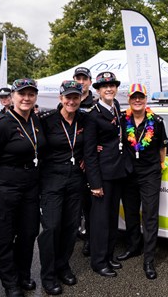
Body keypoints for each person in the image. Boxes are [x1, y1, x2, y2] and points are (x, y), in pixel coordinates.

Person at [0, 78, 46, 297]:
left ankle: (23, 275)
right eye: (22, 94)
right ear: (13, 97)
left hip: (30, 186)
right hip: (6, 186)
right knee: (4, 238)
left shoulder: (36, 120)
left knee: (28, 234)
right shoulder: (2, 124)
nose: (26, 98)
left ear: (35, 96)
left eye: (31, 94)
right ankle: (10, 284)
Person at [37, 80, 87, 295]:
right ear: (60, 98)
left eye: (75, 97)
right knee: (51, 227)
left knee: (70, 226)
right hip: (51, 180)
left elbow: (97, 139)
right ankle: (48, 274)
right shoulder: (46, 120)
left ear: (80, 98)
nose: (72, 101)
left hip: (76, 180)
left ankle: (63, 266)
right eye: (68, 97)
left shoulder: (85, 119)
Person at [116, 83, 167, 280]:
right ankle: (133, 247)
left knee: (150, 216)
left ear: (146, 99)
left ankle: (149, 259)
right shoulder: (122, 119)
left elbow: (162, 148)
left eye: (141, 97)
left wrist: (160, 165)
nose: (137, 100)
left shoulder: (157, 121)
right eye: (134, 97)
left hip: (150, 174)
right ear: (129, 99)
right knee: (130, 213)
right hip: (128, 174)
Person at [83, 71, 132, 278]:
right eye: (105, 87)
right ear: (98, 90)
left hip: (117, 172)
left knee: (112, 219)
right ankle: (99, 261)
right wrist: (95, 183)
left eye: (112, 85)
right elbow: (90, 151)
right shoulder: (93, 115)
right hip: (102, 175)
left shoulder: (116, 107)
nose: (109, 89)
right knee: (100, 221)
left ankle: (109, 255)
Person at [72, 66, 95, 257]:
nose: (81, 82)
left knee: (89, 206)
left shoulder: (95, 103)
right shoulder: (69, 102)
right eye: (78, 79)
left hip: (90, 164)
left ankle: (89, 240)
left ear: (89, 81)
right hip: (72, 163)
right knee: (73, 206)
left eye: (84, 79)